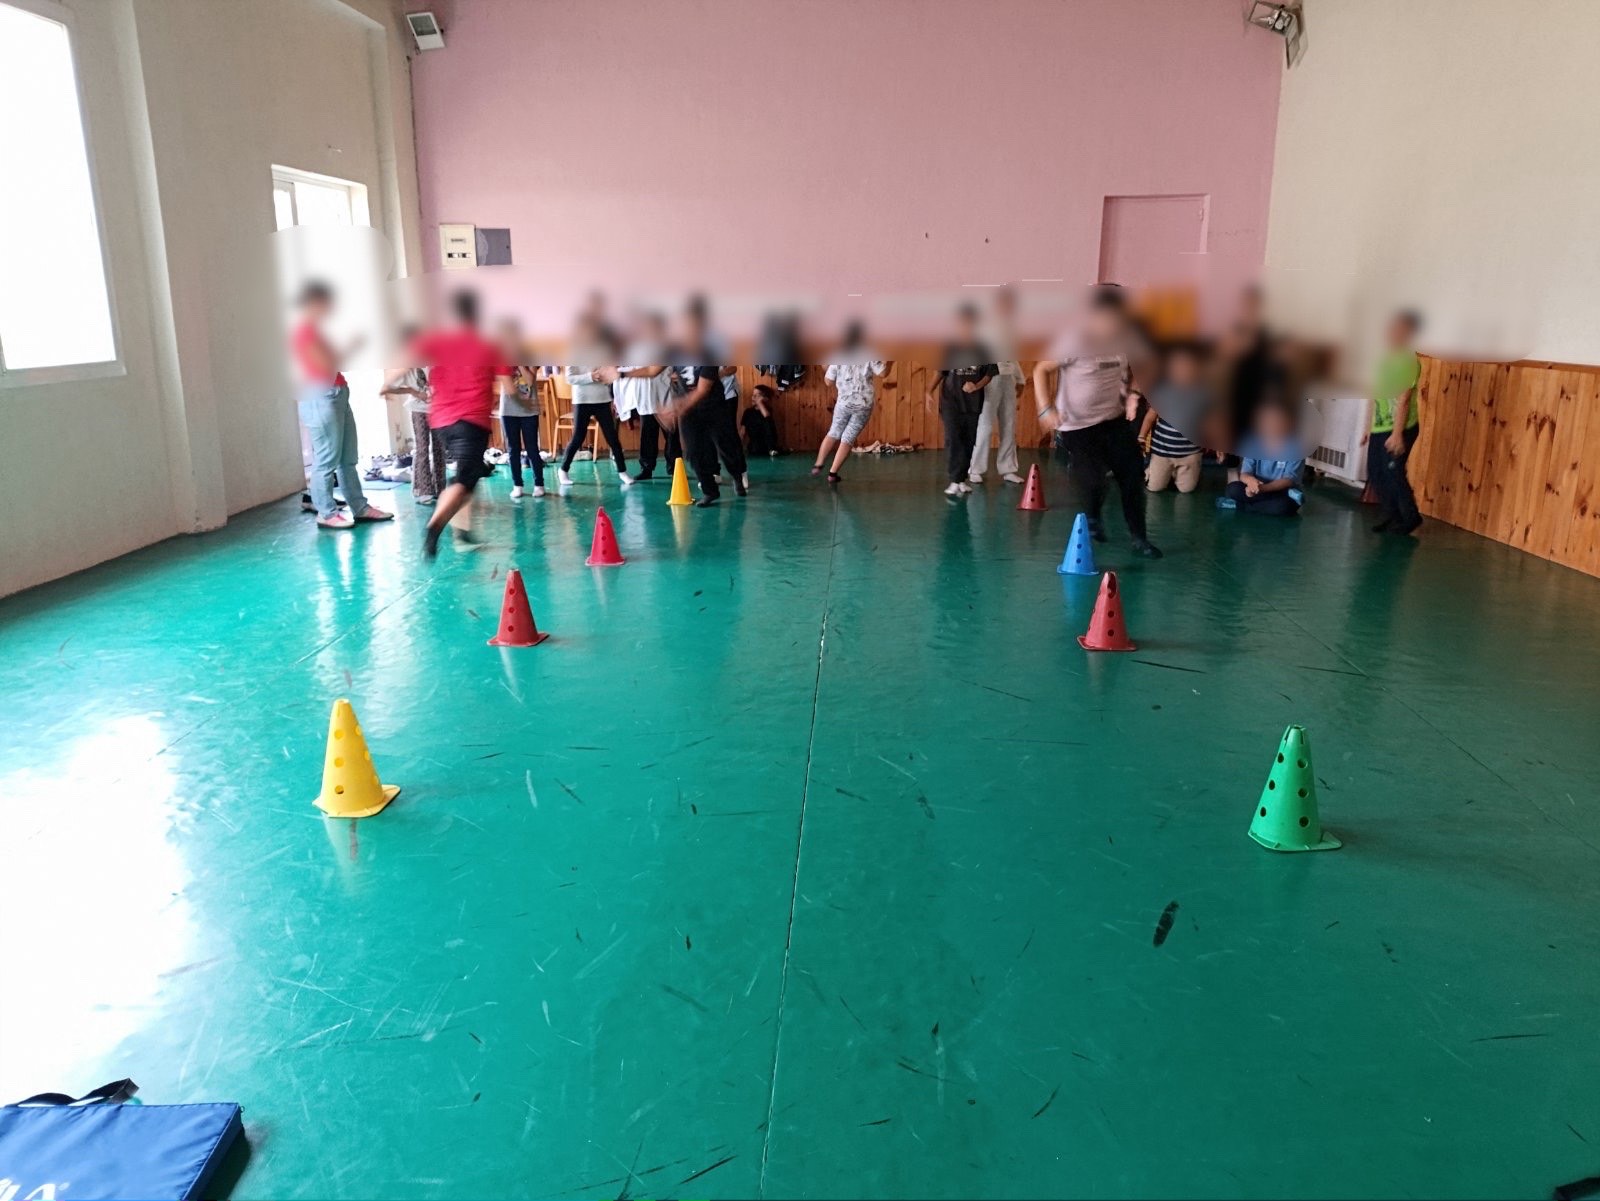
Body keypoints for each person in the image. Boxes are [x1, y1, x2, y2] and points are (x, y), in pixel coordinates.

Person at [1033, 286, 1162, 558]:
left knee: (1132, 475)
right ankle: (1092, 517)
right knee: (1093, 478)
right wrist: (1045, 410)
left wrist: (1133, 394)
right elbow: (1041, 370)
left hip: (1112, 420)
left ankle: (1139, 537)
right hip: (1077, 425)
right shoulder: (1075, 340)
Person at [411, 290, 510, 559]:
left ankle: (462, 535)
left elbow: (408, 358)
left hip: (441, 421)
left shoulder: (440, 341)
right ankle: (434, 527)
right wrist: (522, 401)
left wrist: (388, 384)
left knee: (468, 477)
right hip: (469, 421)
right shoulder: (488, 343)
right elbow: (509, 386)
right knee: (464, 479)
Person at [290, 281, 391, 530]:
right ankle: (326, 512)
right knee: (326, 460)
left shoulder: (317, 332)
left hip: (336, 393)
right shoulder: (304, 332)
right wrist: (351, 346)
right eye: (326, 302)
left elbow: (334, 362)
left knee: (348, 458)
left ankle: (360, 507)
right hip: (321, 395)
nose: (330, 307)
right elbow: (325, 364)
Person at [669, 303, 745, 506]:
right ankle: (710, 490)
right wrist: (622, 374)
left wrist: (679, 407)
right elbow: (655, 370)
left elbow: (703, 389)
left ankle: (737, 476)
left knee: (726, 446)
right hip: (690, 411)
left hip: (714, 407)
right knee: (693, 452)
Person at [1365, 309, 1424, 535]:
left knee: (1393, 472)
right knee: (1375, 472)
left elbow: (1404, 399)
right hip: (1380, 426)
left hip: (1401, 427)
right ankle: (1392, 515)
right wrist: (1368, 428)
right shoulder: (1384, 358)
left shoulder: (1407, 360)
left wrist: (1397, 434)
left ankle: (1410, 517)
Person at [927, 306, 995, 497]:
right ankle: (954, 479)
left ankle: (961, 479)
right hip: (951, 400)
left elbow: (990, 374)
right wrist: (928, 391)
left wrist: (976, 386)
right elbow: (941, 372)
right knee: (953, 438)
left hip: (973, 403)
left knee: (969, 440)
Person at [558, 315, 632, 489]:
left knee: (612, 437)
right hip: (582, 400)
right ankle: (563, 470)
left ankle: (623, 472)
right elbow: (569, 378)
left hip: (602, 399)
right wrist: (591, 376)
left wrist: (609, 382)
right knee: (578, 437)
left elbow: (611, 373)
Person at [816, 323, 886, 484]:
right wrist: (890, 362)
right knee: (848, 437)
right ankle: (832, 473)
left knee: (834, 432)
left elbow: (828, 381)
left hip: (844, 403)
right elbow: (882, 373)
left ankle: (818, 464)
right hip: (863, 404)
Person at [606, 312, 673, 481]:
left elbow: (651, 370)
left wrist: (623, 374)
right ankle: (646, 468)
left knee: (671, 434)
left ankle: (674, 468)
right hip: (645, 398)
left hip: (664, 397)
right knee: (647, 435)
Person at [969, 286, 1025, 486]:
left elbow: (1013, 356)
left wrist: (1020, 379)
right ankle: (975, 469)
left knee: (1009, 424)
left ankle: (1008, 468)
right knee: (985, 426)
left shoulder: (1011, 327)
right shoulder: (984, 326)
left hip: (1007, 378)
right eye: (1005, 302)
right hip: (989, 379)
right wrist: (977, 381)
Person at [379, 331, 441, 505]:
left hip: (439, 409)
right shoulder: (408, 366)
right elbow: (388, 387)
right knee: (422, 447)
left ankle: (440, 487)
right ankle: (422, 490)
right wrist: (413, 391)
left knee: (439, 449)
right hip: (419, 409)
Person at [1217, 398, 1305, 515]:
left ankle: (1239, 505)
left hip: (1281, 490)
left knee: (1284, 506)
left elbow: (1288, 480)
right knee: (1232, 489)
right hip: (1256, 487)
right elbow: (1245, 473)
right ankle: (1258, 505)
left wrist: (1261, 489)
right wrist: (1251, 482)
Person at [1141, 341, 1208, 494]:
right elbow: (1150, 417)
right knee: (1154, 488)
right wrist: (1141, 436)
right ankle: (1156, 470)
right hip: (1162, 451)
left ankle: (1182, 473)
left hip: (1190, 452)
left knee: (1186, 489)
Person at [493, 320, 544, 500]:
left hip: (529, 409)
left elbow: (530, 380)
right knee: (513, 449)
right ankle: (517, 485)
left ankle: (539, 484)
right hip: (508, 409)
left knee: (532, 448)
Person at [742, 384, 781, 458]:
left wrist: (759, 403)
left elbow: (767, 417)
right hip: (754, 446)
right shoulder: (748, 412)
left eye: (757, 395)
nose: (753, 397)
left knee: (768, 422)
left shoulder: (767, 410)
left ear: (765, 398)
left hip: (768, 445)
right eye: (753, 395)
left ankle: (772, 449)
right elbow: (742, 432)